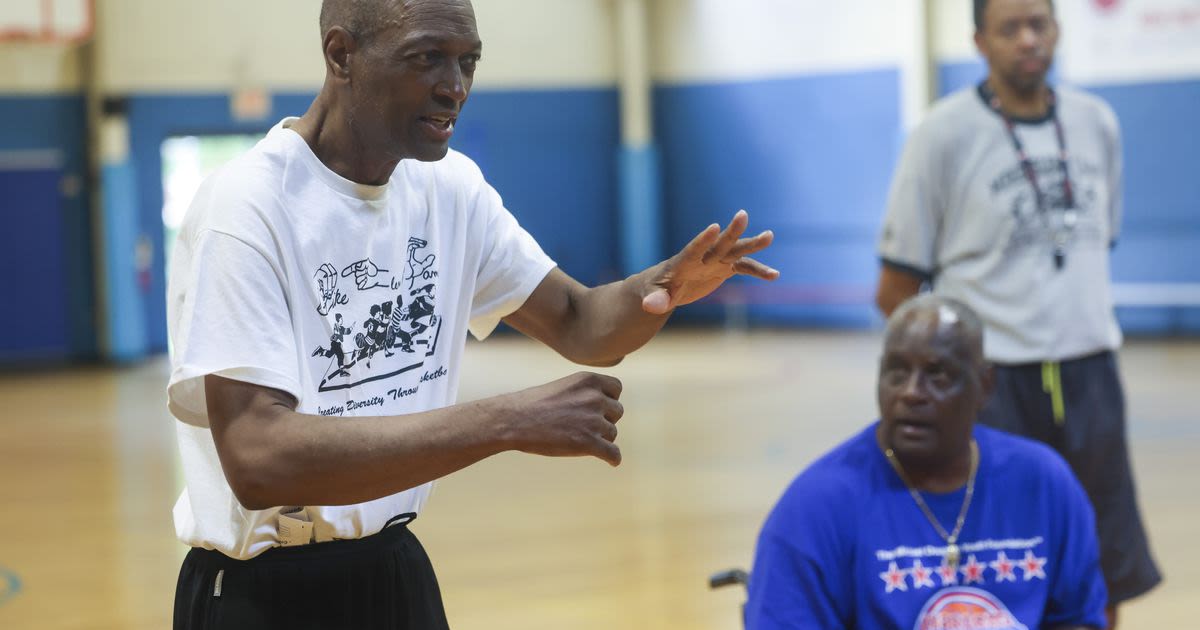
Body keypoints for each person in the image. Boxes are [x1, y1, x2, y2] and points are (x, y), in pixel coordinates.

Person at [165, 1, 778, 628]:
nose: (454, 87)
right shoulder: (248, 208)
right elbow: (260, 458)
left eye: (468, 62)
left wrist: (665, 286)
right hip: (261, 594)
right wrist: (506, 420)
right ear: (341, 54)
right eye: (427, 58)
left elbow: (581, 321)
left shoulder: (451, 189)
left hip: (394, 569)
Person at [873, 0, 1160, 623]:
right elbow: (895, 288)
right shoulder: (941, 134)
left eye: (1040, 24)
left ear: (1057, 31)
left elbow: (1094, 241)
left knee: (1103, 555)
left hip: (1090, 371)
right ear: (980, 41)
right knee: (997, 557)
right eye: (1010, 28)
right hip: (990, 383)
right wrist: (951, 375)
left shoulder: (1096, 123)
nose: (1028, 40)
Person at [746, 295, 1108, 630]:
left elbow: (1080, 618)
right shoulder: (814, 507)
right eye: (897, 372)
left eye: (938, 374)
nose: (911, 392)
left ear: (984, 384)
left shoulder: (1042, 482)